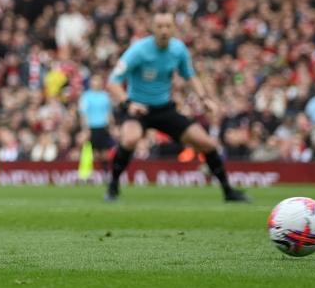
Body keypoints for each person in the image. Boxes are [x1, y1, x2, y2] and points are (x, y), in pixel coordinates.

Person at [105, 12, 248, 203]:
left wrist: (204, 98)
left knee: (207, 143)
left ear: (173, 28)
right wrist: (128, 103)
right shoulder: (138, 50)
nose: (164, 30)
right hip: (137, 108)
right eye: (160, 26)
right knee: (130, 139)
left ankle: (228, 191)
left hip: (164, 108)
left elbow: (190, 76)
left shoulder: (178, 49)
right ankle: (113, 187)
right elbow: (113, 81)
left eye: (168, 26)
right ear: (153, 28)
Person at [77, 75, 112, 178]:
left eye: (98, 81)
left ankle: (105, 173)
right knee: (89, 152)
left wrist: (111, 126)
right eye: (94, 81)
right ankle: (85, 175)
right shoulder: (86, 96)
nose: (96, 83)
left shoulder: (105, 96)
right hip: (91, 127)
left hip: (103, 127)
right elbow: (83, 114)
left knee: (104, 153)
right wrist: (85, 129)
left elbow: (108, 113)